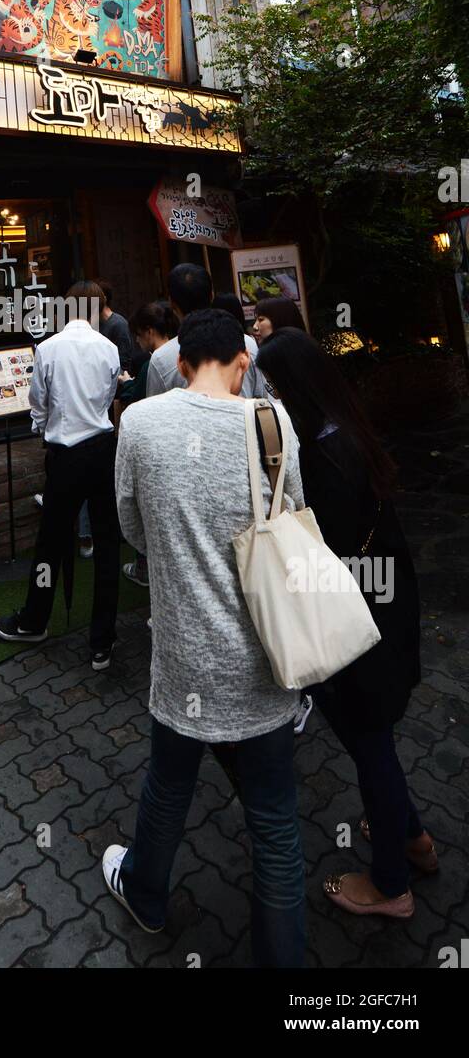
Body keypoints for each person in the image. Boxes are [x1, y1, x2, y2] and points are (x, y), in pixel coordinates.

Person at [106, 308, 306, 966]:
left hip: (186, 658)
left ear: (182, 363)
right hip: (267, 657)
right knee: (275, 824)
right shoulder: (274, 425)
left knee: (168, 785)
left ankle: (146, 892)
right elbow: (293, 526)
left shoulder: (139, 421)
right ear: (244, 364)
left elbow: (131, 527)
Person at [257, 327, 431, 919]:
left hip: (353, 614)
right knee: (372, 735)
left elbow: (319, 548)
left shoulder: (320, 455)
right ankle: (412, 838)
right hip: (387, 597)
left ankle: (390, 886)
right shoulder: (345, 427)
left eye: (275, 383)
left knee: (369, 742)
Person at [0, 281, 122, 670]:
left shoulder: (48, 349)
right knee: (108, 543)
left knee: (50, 543)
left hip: (65, 454)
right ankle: (102, 640)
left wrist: (44, 425)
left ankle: (34, 620)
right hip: (102, 450)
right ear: (98, 309)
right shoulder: (110, 348)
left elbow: (37, 402)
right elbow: (108, 395)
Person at [119, 300, 177, 589]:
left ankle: (148, 569)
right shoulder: (183, 348)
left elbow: (150, 403)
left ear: (149, 331)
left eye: (138, 335)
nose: (138, 342)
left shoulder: (159, 360)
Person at [145, 264, 264, 400]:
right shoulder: (247, 343)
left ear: (171, 302)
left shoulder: (162, 358)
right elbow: (260, 399)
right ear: (212, 295)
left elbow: (157, 412)